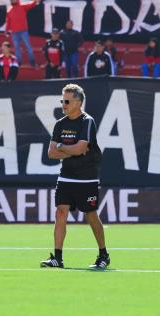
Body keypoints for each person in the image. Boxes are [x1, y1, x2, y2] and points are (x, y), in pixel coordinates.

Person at [41, 84, 109, 270]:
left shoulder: (87, 121)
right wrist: (71, 150)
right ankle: (57, 257)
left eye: (67, 101)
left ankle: (103, 254)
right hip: (66, 177)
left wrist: (63, 147)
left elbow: (77, 149)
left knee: (91, 215)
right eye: (62, 100)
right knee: (60, 213)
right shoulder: (60, 124)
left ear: (78, 102)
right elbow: (51, 154)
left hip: (87, 178)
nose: (63, 104)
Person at [4, 0, 42, 67]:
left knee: (28, 47)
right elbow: (8, 22)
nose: (13, 0)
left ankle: (32, 61)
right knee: (17, 48)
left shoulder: (22, 7)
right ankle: (18, 62)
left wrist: (36, 0)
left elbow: (31, 5)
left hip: (23, 31)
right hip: (14, 33)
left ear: (17, 0)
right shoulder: (9, 11)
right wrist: (6, 31)